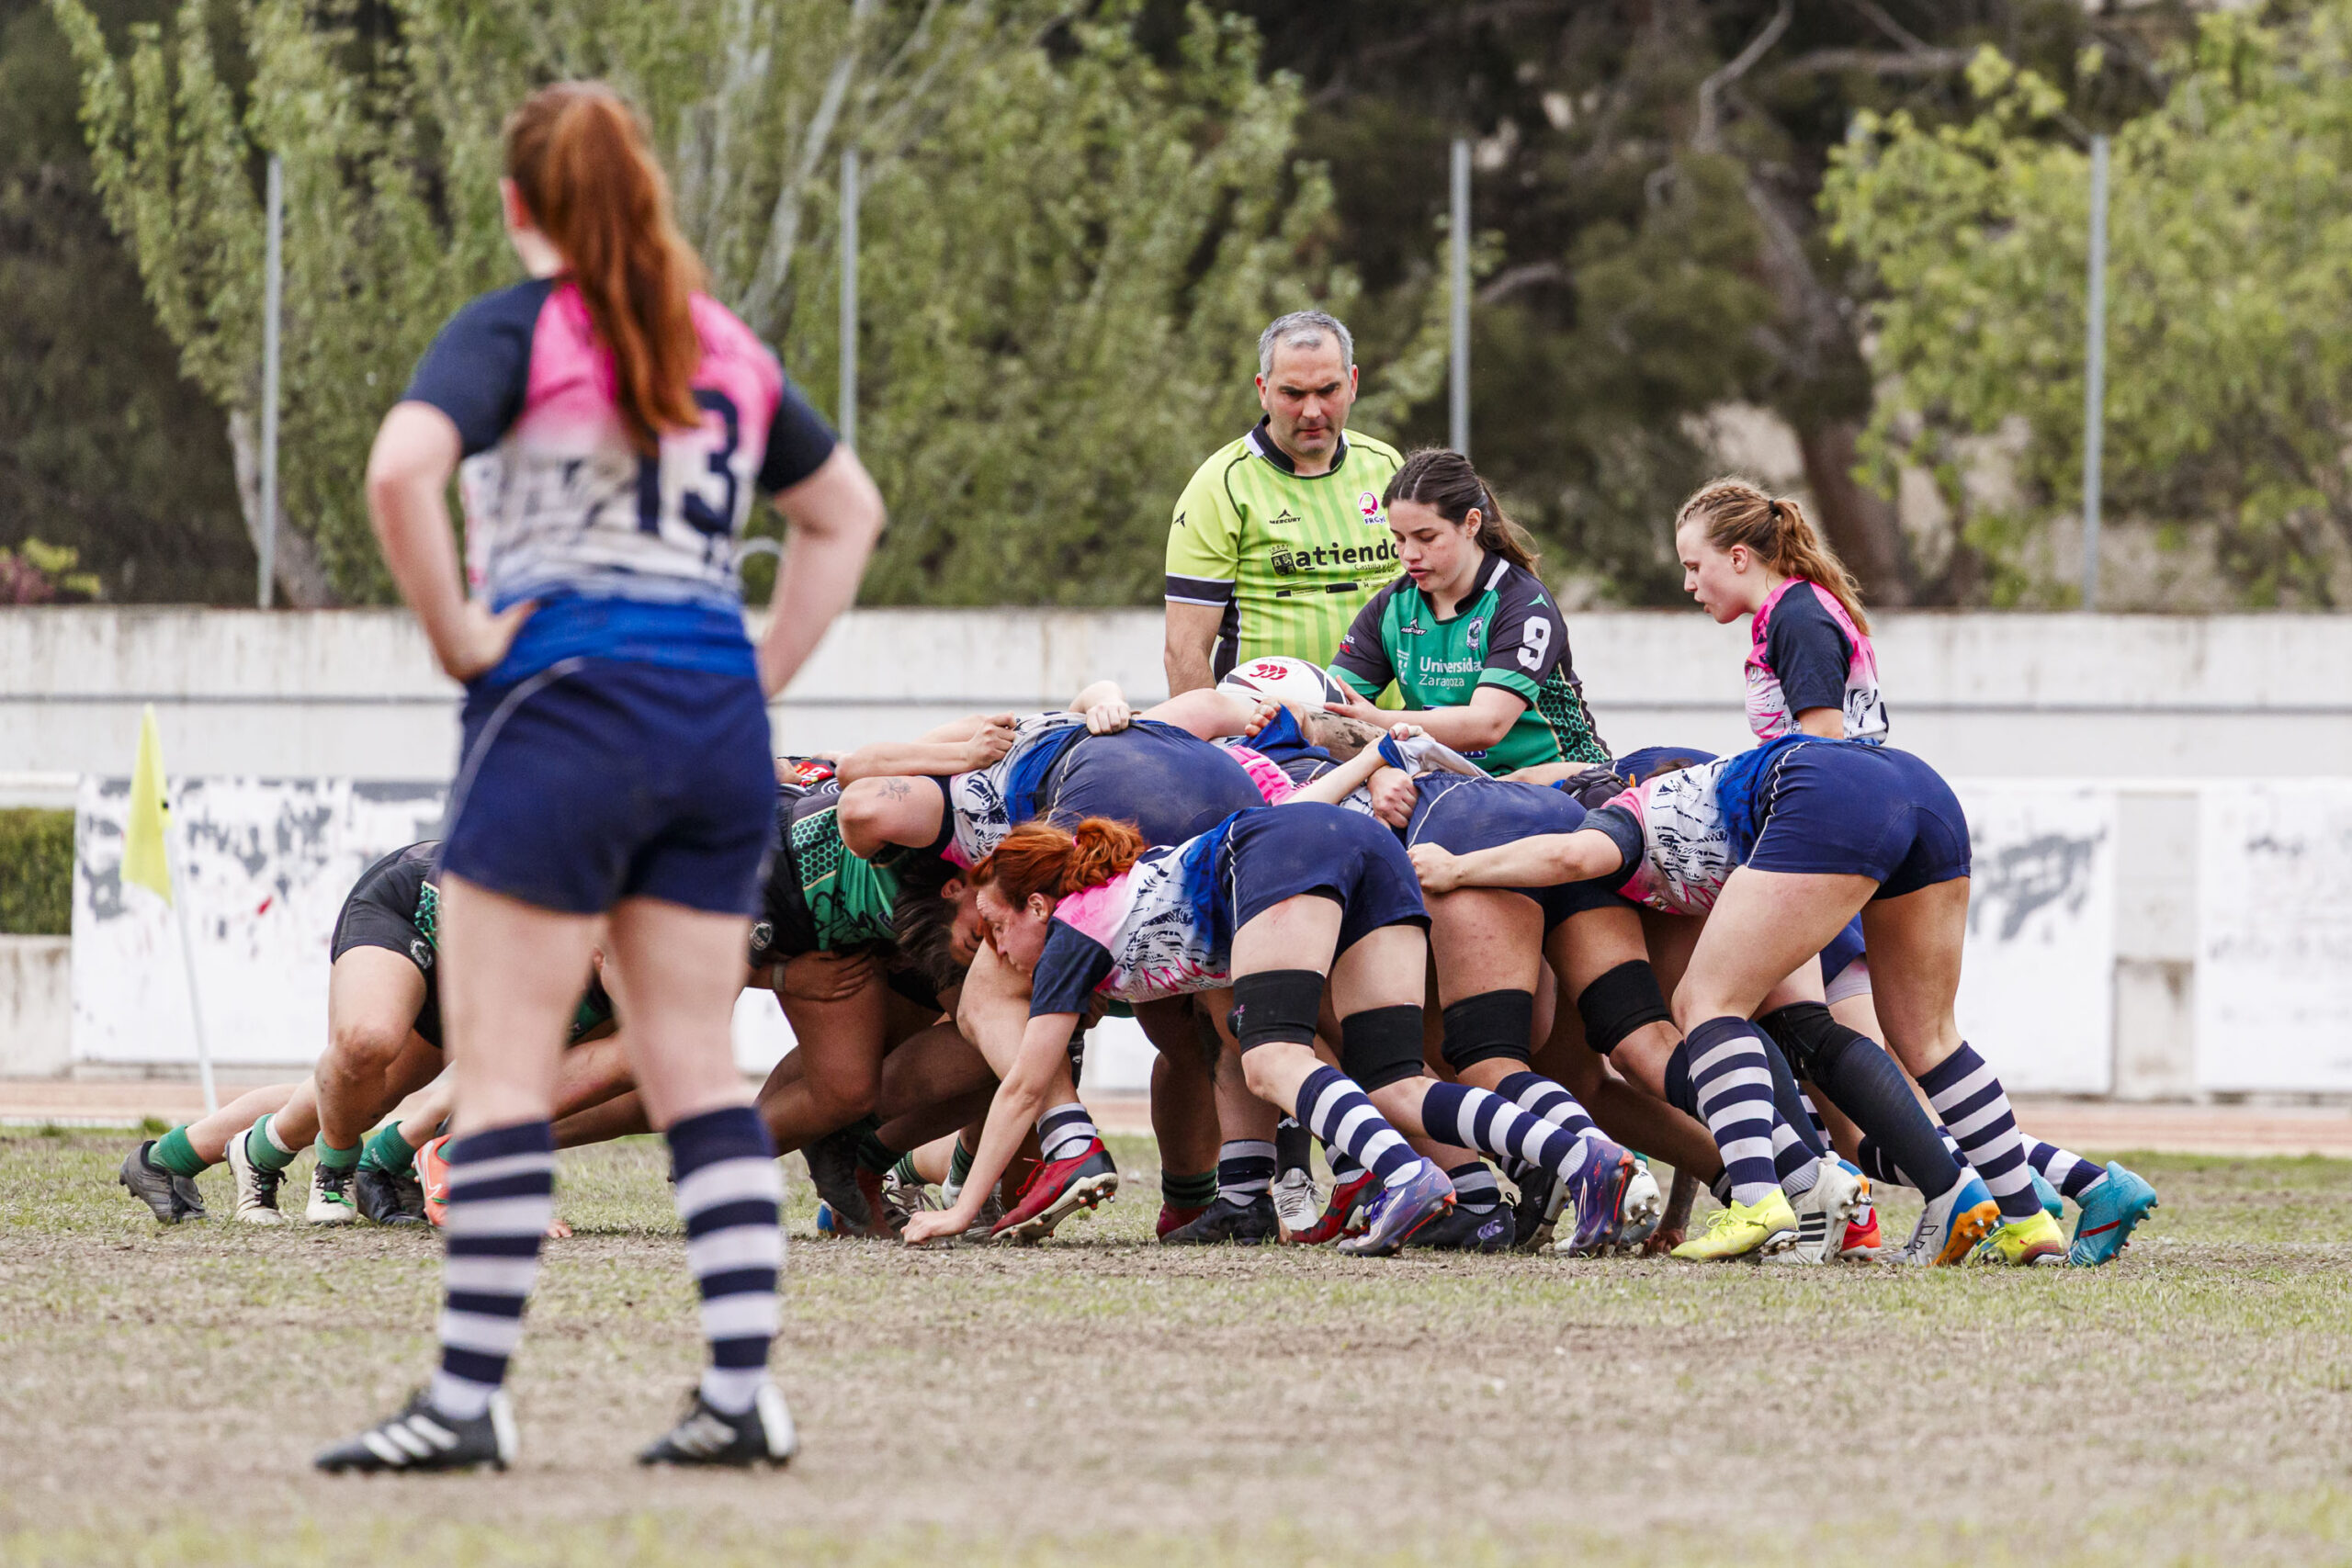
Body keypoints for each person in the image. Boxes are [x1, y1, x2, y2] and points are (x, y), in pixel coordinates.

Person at [317, 81, 881, 1474]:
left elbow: (400, 468)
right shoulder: (716, 339)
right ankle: (743, 1387)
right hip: (707, 732)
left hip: (557, 713)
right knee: (695, 1063)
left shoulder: (516, 328)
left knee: (504, 1071)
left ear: (518, 205)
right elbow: (844, 510)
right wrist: (757, 674)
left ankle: (468, 1395)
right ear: (647, 197)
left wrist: (457, 634)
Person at [1410, 734, 2118, 1266]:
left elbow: (1571, 858)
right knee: (1927, 1038)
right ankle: (2025, 1218)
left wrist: (1457, 866)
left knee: (1708, 1008)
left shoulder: (1623, 815)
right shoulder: (1676, 792)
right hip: (1918, 786)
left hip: (1823, 796)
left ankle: (1758, 1204)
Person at [915, 797, 1659, 1258]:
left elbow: (1022, 1088)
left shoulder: (1073, 933)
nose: (995, 950)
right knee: (1396, 1079)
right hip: (1361, 845)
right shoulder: (1110, 900)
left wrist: (960, 1211)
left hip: (1282, 850)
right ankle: (1582, 1158)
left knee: (1270, 1060)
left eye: (994, 927)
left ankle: (1405, 1175)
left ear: (1037, 907)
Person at [1163, 310, 1405, 693]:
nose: (1312, 411)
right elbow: (1184, 651)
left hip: (1386, 735)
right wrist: (1208, 747)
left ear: (1353, 382)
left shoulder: (1389, 467)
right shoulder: (1219, 485)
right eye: (1293, 393)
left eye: (1328, 390)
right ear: (1263, 389)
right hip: (1267, 739)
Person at [1329, 449, 1610, 775]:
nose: (1409, 554)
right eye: (1399, 538)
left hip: (1560, 779)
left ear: (1471, 523)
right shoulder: (1392, 606)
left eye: (1426, 537)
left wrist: (1380, 722)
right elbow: (1333, 704)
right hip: (1453, 784)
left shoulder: (1523, 603)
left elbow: (1486, 725)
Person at [1673, 479, 1889, 744]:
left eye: (1694, 567)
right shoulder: (1788, 612)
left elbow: (1825, 740)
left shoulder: (1799, 619)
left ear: (1737, 558)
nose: (1688, 585)